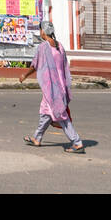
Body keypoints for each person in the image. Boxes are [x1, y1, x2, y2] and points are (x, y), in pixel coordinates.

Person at [20, 21, 85, 153]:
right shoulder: (59, 46)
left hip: (52, 88)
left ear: (43, 31)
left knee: (61, 115)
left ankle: (77, 142)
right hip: (60, 86)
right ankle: (37, 138)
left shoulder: (43, 47)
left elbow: (34, 65)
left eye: (40, 30)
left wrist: (24, 76)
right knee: (46, 113)